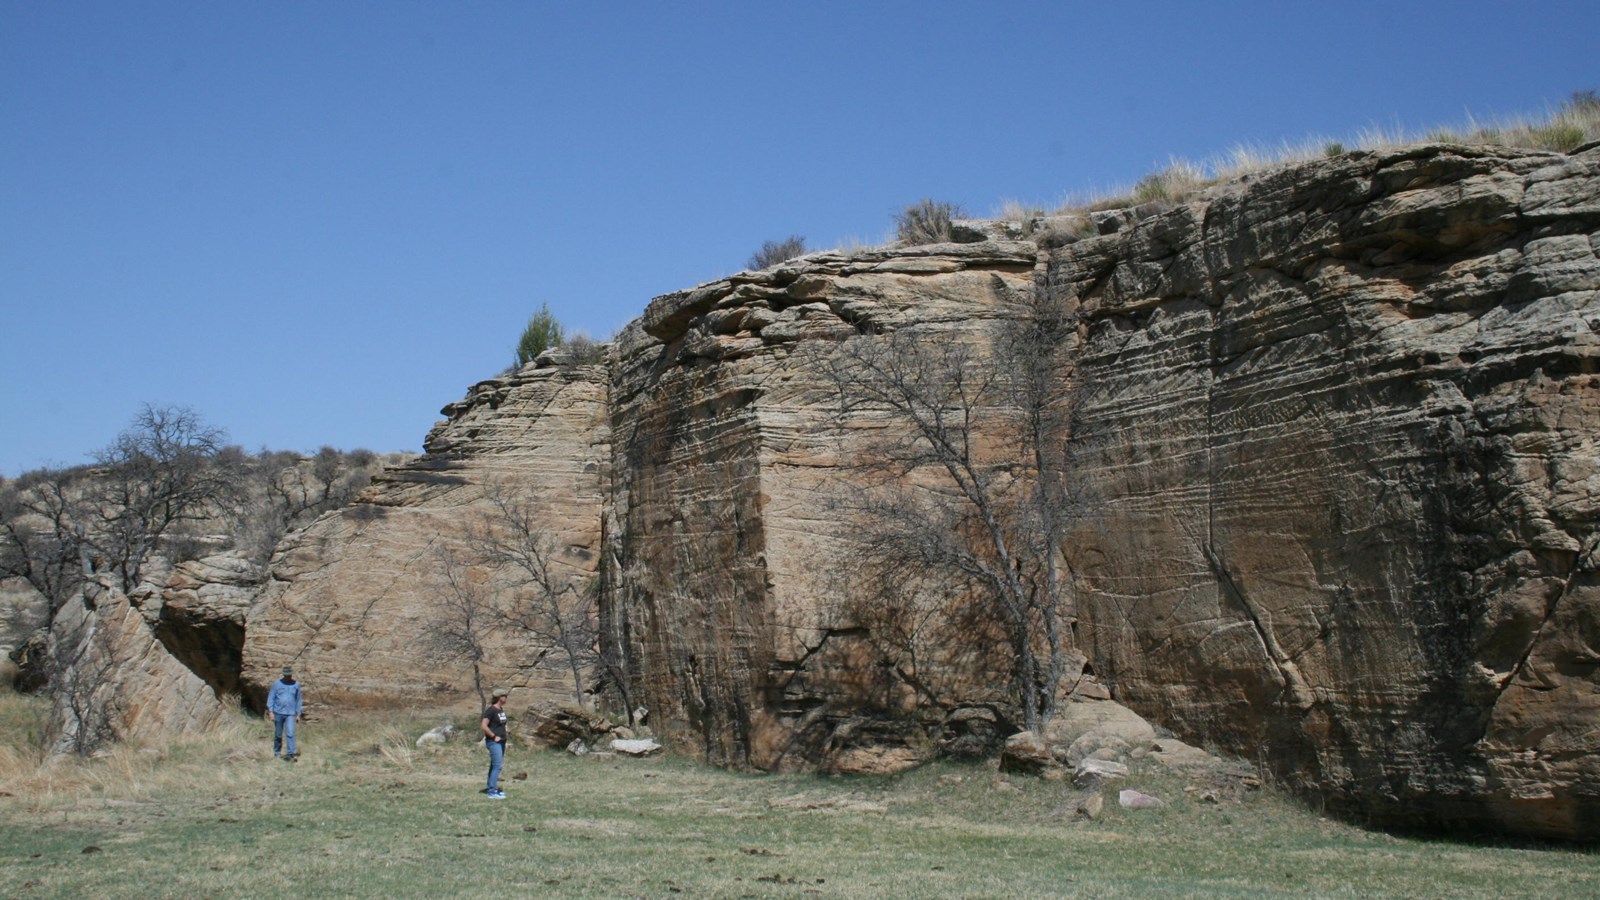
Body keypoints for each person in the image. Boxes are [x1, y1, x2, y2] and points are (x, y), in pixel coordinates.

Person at [267, 665, 304, 762]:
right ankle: (277, 753)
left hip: (290, 713)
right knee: (278, 734)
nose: (288, 677)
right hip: (278, 712)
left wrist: (298, 714)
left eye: (290, 675)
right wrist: (271, 712)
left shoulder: (296, 685)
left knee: (290, 733)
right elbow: (271, 697)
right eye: (286, 675)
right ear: (283, 675)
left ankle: (291, 754)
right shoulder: (277, 684)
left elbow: (298, 700)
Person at [480, 688, 510, 799]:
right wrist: (493, 736)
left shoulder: (501, 710)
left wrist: (506, 730)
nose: (506, 698)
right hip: (493, 742)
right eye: (504, 696)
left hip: (502, 741)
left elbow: (501, 724)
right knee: (498, 765)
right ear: (499, 697)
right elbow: (483, 725)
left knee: (494, 765)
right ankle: (492, 790)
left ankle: (490, 787)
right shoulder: (491, 710)